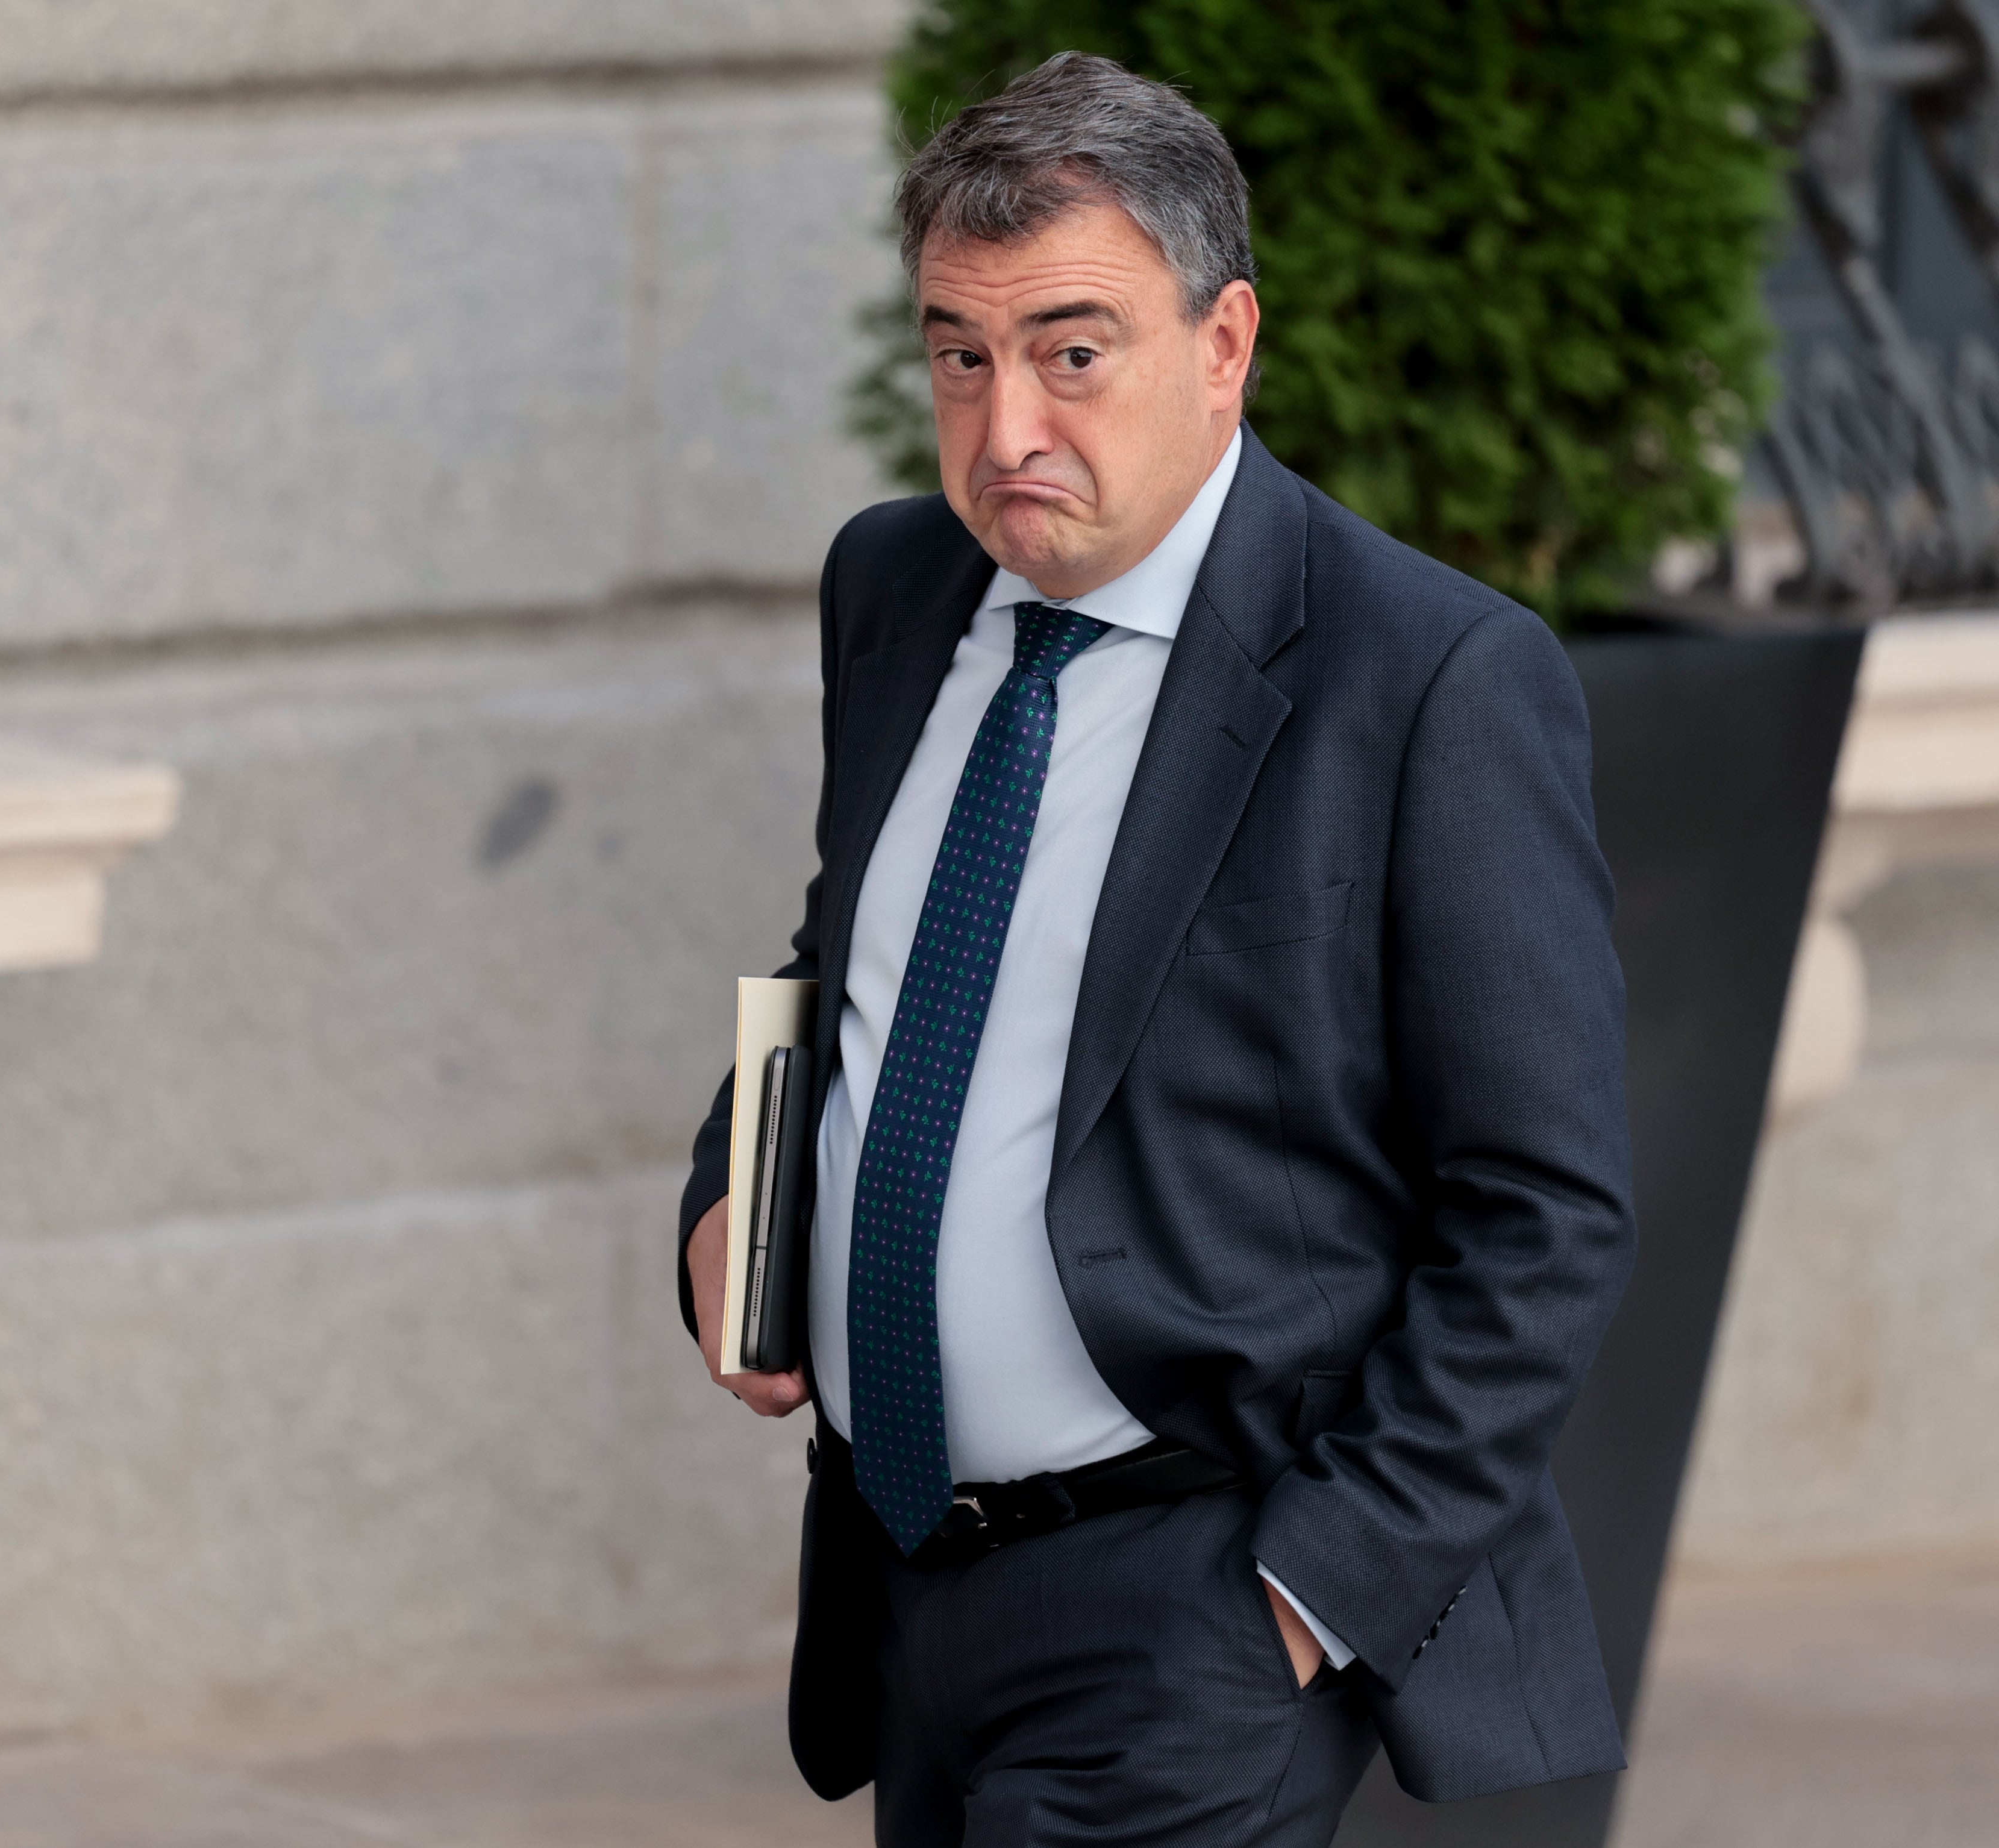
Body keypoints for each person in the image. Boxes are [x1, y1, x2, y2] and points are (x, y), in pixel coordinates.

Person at [676, 51, 1636, 1848]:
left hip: (1192, 1603)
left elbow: (1547, 1208)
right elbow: (849, 979)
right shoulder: (891, 593)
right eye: (960, 353)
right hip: (902, 1581)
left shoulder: (1426, 678)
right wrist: (738, 1198)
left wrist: (1305, 1596)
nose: (1007, 424)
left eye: (1073, 348)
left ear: (1225, 344)